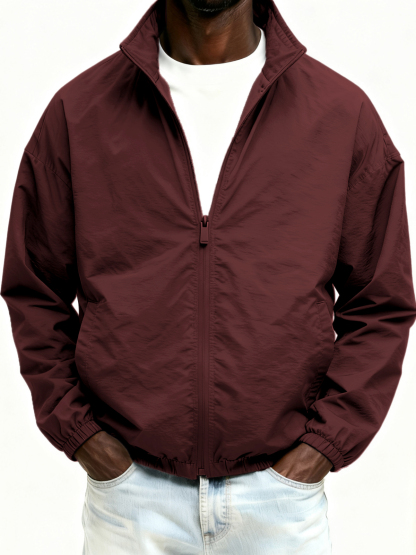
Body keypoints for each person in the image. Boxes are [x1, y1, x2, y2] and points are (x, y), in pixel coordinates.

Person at [2, 0, 415, 552]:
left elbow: (381, 302)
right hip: (132, 503)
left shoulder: (341, 115)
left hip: (278, 503)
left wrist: (322, 447)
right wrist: (83, 437)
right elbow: (34, 289)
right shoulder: (80, 114)